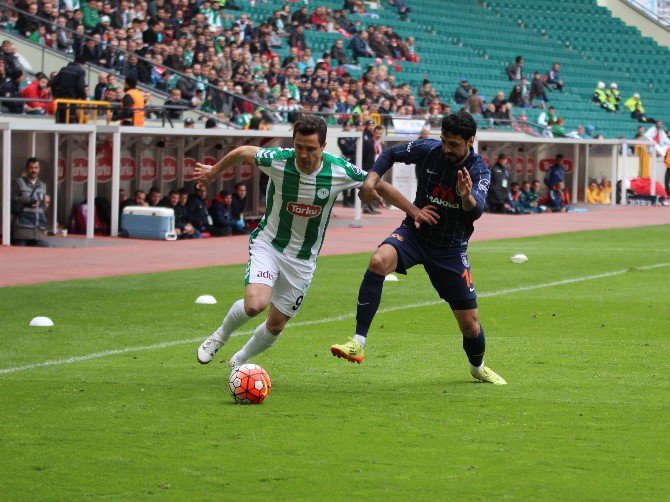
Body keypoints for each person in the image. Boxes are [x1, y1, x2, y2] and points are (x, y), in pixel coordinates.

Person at [194, 115, 396, 370]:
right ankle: (220, 336)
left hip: (302, 259)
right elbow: (244, 151)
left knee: (276, 324)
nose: (303, 153)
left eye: (310, 148)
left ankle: (240, 360)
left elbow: (379, 183)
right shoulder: (279, 159)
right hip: (269, 244)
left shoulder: (338, 169)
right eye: (299, 146)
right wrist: (213, 172)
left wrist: (413, 211)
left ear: (323, 147)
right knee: (255, 305)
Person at [330, 111, 506, 385]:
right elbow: (389, 154)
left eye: (454, 144)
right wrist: (370, 182)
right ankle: (358, 342)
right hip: (415, 234)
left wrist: (465, 196)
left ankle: (477, 367)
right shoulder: (429, 150)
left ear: (470, 141)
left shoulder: (478, 171)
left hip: (450, 249)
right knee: (378, 261)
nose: (447, 148)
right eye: (444, 141)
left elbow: (476, 211)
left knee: (470, 325)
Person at [11, 158, 49, 246]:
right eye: (31, 168)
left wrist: (45, 225)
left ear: (39, 169)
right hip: (22, 229)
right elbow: (11, 198)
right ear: (27, 168)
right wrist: (29, 200)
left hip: (38, 230)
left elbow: (43, 208)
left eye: (36, 168)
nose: (34, 170)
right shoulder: (18, 182)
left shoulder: (43, 185)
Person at [50, 55, 87, 123]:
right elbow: (81, 87)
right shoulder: (80, 71)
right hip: (72, 100)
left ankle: (59, 133)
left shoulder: (63, 69)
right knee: (69, 121)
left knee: (60, 120)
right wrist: (83, 98)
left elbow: (53, 82)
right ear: (83, 63)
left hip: (60, 100)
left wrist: (55, 95)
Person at [337, 121, 357, 207]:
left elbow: (357, 147)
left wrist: (353, 148)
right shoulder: (341, 136)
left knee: (353, 179)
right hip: (345, 159)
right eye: (347, 126)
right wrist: (353, 148)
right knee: (345, 180)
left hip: (354, 159)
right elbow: (346, 149)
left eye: (350, 126)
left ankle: (351, 200)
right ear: (344, 126)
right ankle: (345, 200)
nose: (349, 127)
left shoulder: (353, 136)